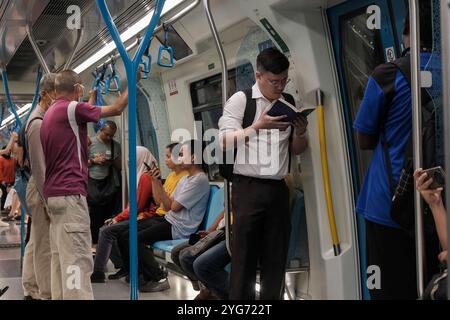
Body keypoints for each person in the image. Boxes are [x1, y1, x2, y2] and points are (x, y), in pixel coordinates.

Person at [352, 7, 437, 299]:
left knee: (388, 289)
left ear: (406, 32)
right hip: (438, 204)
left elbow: (364, 137)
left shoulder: (388, 74)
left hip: (389, 202)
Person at [218, 47, 308, 300]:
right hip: (248, 188)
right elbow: (224, 141)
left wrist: (300, 133)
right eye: (274, 81)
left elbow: (297, 149)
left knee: (275, 258)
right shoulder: (241, 100)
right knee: (244, 259)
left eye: (284, 80)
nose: (279, 86)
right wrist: (257, 126)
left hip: (279, 189)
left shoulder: (289, 101)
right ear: (259, 76)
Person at [40, 69, 134, 300]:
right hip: (71, 194)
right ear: (77, 89)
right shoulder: (71, 109)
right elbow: (117, 109)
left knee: (62, 261)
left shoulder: (52, 112)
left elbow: (81, 118)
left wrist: (91, 97)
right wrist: (133, 80)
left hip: (54, 195)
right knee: (77, 262)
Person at [117, 140, 210, 292]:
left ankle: (157, 276)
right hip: (168, 219)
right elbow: (165, 205)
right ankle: (139, 275)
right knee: (123, 234)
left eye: (181, 155)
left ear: (193, 158)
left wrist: (161, 189)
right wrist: (157, 181)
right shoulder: (186, 179)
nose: (178, 158)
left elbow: (172, 206)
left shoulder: (199, 180)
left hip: (178, 227)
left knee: (133, 238)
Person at [96, 143, 188, 283]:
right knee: (118, 232)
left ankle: (152, 275)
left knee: (113, 232)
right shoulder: (168, 176)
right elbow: (160, 203)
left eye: (169, 157)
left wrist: (119, 218)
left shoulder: (147, 177)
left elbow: (162, 206)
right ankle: (133, 270)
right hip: (159, 216)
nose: (165, 160)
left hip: (162, 218)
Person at [90, 146, 157, 282]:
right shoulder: (140, 175)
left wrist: (118, 218)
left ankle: (98, 272)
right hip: (139, 216)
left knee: (106, 231)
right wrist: (117, 218)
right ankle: (123, 266)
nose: (128, 162)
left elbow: (137, 206)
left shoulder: (145, 177)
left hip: (145, 218)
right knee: (108, 227)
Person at [21, 73, 57, 300]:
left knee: (36, 240)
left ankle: (30, 285)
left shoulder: (44, 118)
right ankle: (45, 292)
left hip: (39, 185)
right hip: (40, 186)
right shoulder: (37, 122)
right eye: (55, 93)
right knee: (44, 244)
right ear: (44, 94)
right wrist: (48, 199)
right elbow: (38, 166)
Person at [87, 120, 121, 245]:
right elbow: (79, 164)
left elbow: (119, 166)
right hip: (92, 181)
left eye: (111, 135)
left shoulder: (115, 146)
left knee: (107, 213)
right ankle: (93, 240)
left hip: (108, 183)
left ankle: (104, 241)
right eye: (106, 134)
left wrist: (111, 160)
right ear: (100, 130)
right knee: (94, 213)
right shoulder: (90, 143)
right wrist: (94, 161)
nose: (108, 138)